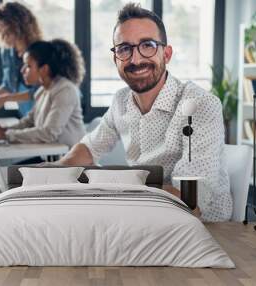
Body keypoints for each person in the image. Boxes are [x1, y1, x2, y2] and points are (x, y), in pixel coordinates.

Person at [58, 3, 232, 222]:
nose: (136, 59)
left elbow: (191, 202)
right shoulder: (121, 100)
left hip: (203, 229)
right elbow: (88, 148)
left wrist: (119, 188)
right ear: (116, 59)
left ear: (166, 54)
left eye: (147, 45)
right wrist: (52, 174)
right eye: (124, 49)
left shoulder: (200, 105)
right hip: (143, 212)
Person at [0, 39, 86, 149]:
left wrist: (7, 136)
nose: (22, 70)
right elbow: (29, 121)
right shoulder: (42, 91)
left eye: (28, 66)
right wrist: (5, 129)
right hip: (53, 155)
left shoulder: (65, 90)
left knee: (16, 166)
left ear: (44, 69)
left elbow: (49, 133)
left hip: (72, 160)